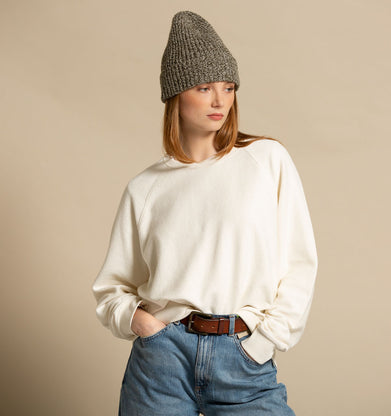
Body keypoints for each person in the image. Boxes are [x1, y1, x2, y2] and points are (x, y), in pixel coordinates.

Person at [92, 10, 318, 416]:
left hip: (243, 356)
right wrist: (143, 324)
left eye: (228, 88)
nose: (220, 100)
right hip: (161, 361)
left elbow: (300, 262)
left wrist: (265, 341)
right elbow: (112, 287)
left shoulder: (267, 160)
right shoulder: (145, 188)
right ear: (176, 95)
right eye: (204, 87)